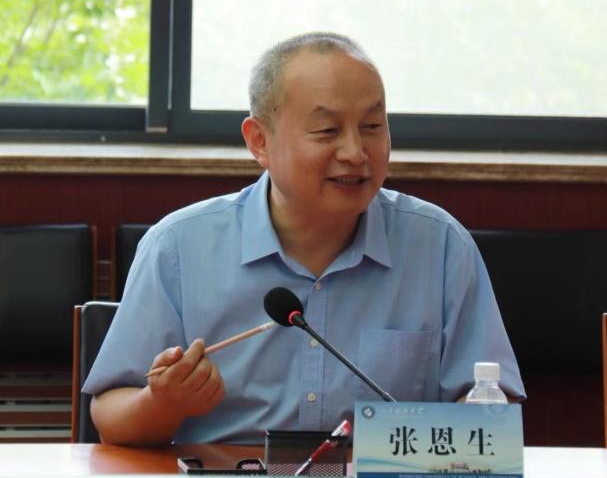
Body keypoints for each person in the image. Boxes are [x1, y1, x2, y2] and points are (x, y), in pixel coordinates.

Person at [84, 32, 525, 446]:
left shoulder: (440, 246)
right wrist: (164, 403)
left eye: (372, 126)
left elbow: (491, 404)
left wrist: (474, 420)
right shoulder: (179, 247)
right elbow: (110, 414)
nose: (355, 152)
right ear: (260, 141)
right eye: (327, 131)